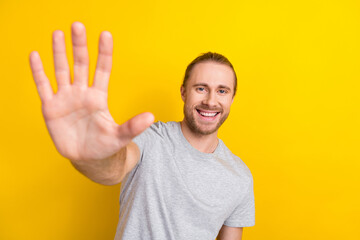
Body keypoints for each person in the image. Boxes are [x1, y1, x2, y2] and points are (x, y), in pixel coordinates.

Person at [29, 22, 255, 240]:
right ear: (184, 92)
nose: (210, 100)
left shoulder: (240, 177)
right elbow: (113, 170)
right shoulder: (150, 139)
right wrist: (90, 155)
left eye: (222, 91)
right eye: (201, 88)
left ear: (232, 98)